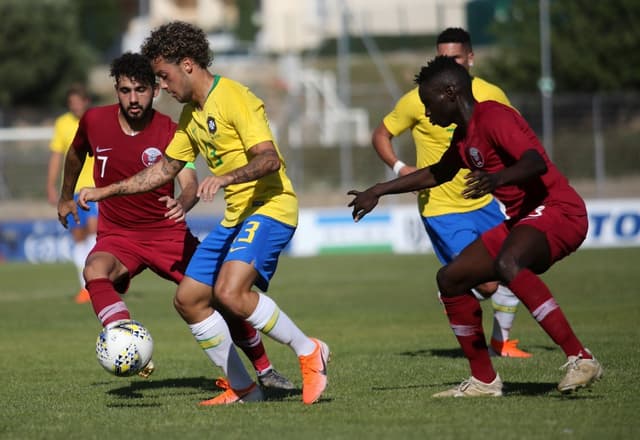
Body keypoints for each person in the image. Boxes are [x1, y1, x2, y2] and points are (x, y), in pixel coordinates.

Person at [76, 22, 329, 406]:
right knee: (190, 299)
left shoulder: (234, 98)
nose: (161, 87)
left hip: (270, 207)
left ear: (188, 65)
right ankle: (244, 389)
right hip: (236, 217)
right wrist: (104, 191)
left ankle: (310, 351)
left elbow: (270, 159)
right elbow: (163, 170)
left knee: (230, 293)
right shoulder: (191, 116)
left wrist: (224, 177)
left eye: (163, 76)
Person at [348, 55, 603, 397]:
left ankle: (581, 357)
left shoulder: (493, 116)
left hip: (559, 210)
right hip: (523, 219)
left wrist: (498, 177)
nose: (426, 113)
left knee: (507, 262)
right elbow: (437, 173)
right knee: (450, 279)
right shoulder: (464, 136)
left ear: (450, 92)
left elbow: (535, 161)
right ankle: (484, 381)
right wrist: (378, 190)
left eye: (429, 103)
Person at [371, 27, 530, 358]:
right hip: (441, 206)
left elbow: (514, 138)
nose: (449, 63)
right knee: (487, 282)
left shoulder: (491, 94)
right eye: (442, 58)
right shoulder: (417, 99)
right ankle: (453, 284)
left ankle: (503, 343)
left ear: (470, 58)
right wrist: (401, 169)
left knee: (511, 267)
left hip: (483, 199)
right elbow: (381, 134)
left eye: (455, 57)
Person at [47, 84, 97, 304]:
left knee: (96, 234)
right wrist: (51, 185)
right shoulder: (62, 124)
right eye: (72, 103)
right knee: (78, 238)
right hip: (72, 191)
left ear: (86, 101)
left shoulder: (97, 119)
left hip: (96, 189)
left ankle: (102, 280)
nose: (76, 106)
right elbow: (57, 156)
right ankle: (84, 287)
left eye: (79, 101)